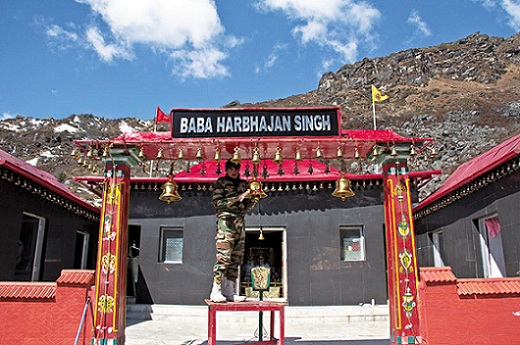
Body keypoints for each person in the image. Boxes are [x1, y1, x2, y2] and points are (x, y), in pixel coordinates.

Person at [210, 159, 258, 302]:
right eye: (231, 169)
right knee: (224, 256)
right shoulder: (221, 183)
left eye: (236, 169)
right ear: (227, 169)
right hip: (226, 222)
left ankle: (229, 290)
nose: (234, 171)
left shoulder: (244, 184)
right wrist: (237, 199)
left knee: (236, 257)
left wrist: (252, 198)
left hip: (239, 221)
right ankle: (215, 290)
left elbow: (247, 206)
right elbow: (218, 203)